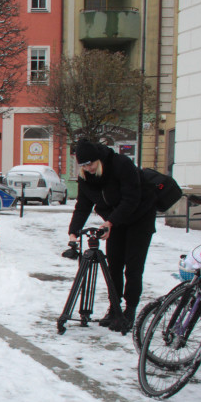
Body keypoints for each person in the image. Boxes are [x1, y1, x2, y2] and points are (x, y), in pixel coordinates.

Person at [67, 138, 158, 333]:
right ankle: (114, 308)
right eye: (82, 165)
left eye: (90, 164)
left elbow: (132, 198)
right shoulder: (86, 177)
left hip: (139, 218)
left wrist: (110, 222)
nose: (87, 168)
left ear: (98, 159)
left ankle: (130, 310)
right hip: (114, 221)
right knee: (114, 266)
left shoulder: (120, 164)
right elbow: (82, 206)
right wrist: (73, 232)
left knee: (133, 267)